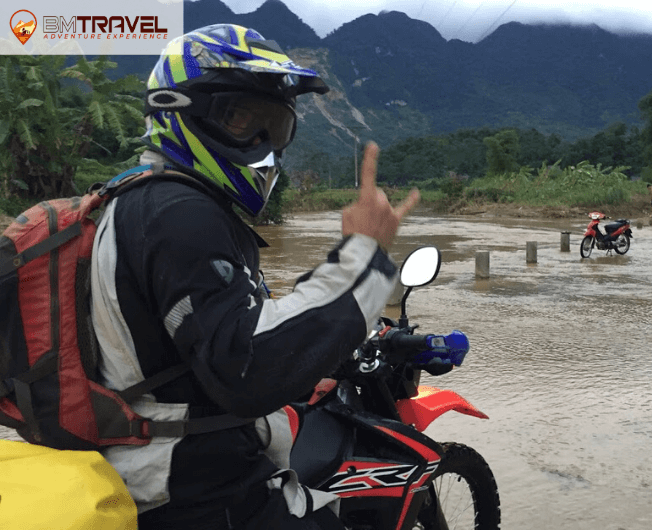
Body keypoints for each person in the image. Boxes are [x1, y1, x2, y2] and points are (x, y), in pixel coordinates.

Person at [89, 24, 419, 529]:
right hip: (188, 492)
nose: (263, 145)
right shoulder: (177, 214)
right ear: (180, 110)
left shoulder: (129, 200)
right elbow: (248, 371)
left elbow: (200, 341)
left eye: (276, 126)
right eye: (240, 119)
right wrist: (365, 253)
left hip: (136, 464)